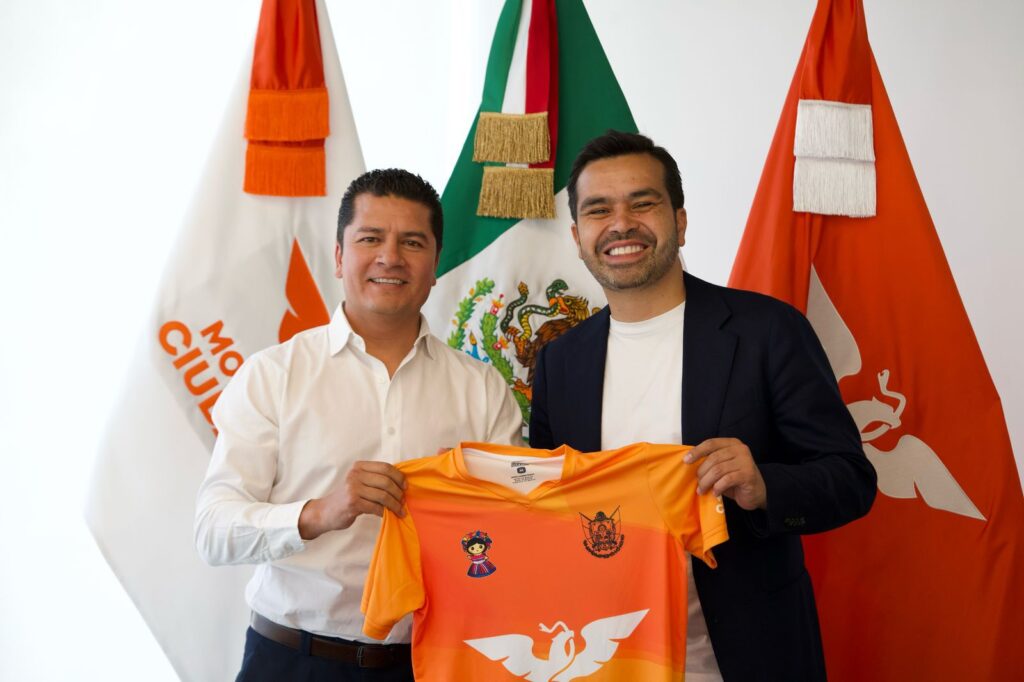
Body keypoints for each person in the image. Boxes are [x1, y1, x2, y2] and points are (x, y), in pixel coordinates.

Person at [529, 131, 877, 681]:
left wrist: (763, 484)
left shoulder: (768, 330)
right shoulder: (560, 361)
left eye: (642, 203)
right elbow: (548, 509)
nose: (621, 224)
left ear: (680, 220)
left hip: (745, 657)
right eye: (599, 210)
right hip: (607, 658)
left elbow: (852, 480)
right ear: (577, 236)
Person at [195, 168, 524, 682]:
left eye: (412, 242)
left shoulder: (481, 388)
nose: (390, 257)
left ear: (436, 263)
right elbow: (214, 531)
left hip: (432, 663)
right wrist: (319, 513)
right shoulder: (272, 376)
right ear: (338, 256)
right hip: (291, 662)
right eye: (370, 239)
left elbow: (514, 527)